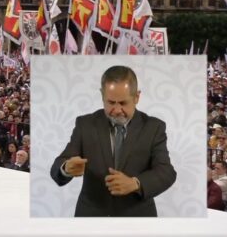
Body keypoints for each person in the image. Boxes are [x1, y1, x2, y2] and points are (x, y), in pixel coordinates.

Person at [50, 65, 176, 217]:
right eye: (110, 102)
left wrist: (136, 183)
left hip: (138, 220)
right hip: (90, 218)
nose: (116, 110)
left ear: (137, 97)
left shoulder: (154, 127)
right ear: (102, 95)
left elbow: (166, 171)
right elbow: (59, 164)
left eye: (123, 103)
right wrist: (66, 168)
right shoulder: (85, 124)